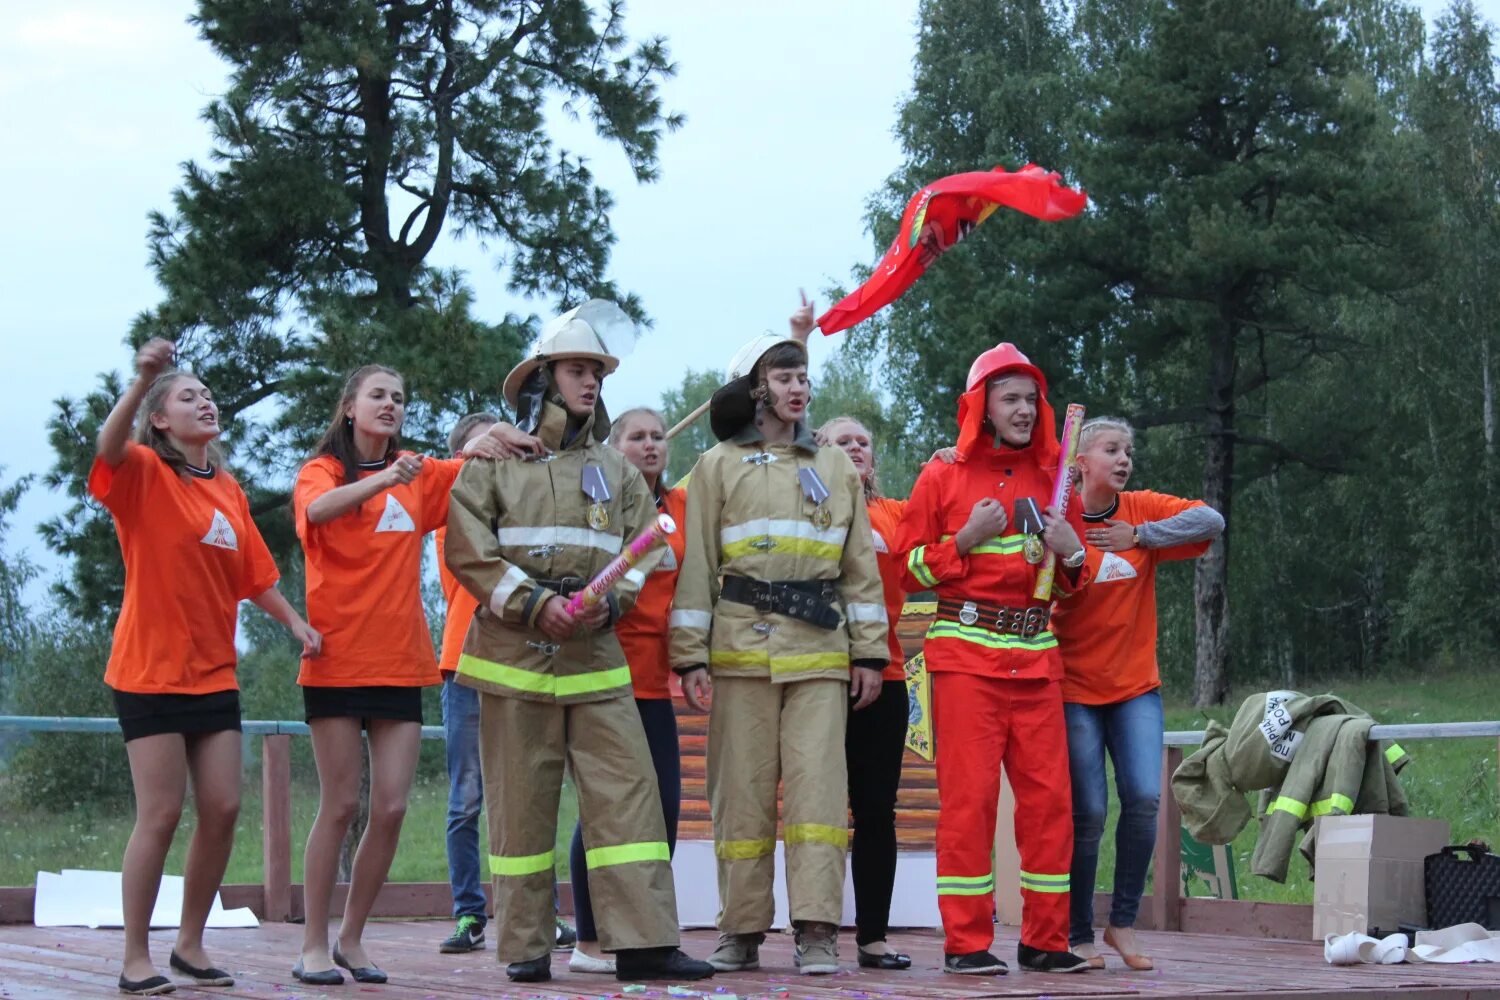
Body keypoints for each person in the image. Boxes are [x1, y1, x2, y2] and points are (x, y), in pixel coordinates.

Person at [444, 301, 713, 984]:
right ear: (542, 378)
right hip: (513, 663)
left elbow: (639, 554)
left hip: (596, 660)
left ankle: (646, 943)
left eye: (595, 370)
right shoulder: (493, 463)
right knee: (519, 808)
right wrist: (537, 607)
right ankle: (525, 947)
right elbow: (468, 553)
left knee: (630, 800)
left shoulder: (616, 472)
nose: (589, 381)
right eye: (576, 368)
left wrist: (603, 606)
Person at [90, 338, 319, 996]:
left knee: (221, 806)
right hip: (147, 670)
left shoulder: (226, 488)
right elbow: (106, 449)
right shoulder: (138, 471)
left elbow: (254, 574)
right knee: (160, 814)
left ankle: (190, 946)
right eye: (188, 396)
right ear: (160, 418)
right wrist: (141, 379)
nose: (205, 401)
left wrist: (296, 621)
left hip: (214, 673)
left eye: (207, 394)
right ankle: (137, 958)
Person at [670, 334, 889, 976]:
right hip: (739, 652)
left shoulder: (835, 466)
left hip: (820, 651)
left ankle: (817, 931)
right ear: (756, 387)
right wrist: (690, 656)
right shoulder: (715, 466)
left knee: (821, 797)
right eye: (785, 376)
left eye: (803, 377)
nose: (799, 387)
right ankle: (739, 930)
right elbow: (698, 567)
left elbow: (860, 569)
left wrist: (869, 654)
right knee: (740, 797)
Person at [290, 364, 511, 986]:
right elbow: (320, 510)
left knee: (389, 807)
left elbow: (469, 467)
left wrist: (500, 440)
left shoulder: (418, 474)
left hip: (400, 661)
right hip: (335, 661)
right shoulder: (323, 471)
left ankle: (352, 939)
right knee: (340, 805)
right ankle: (312, 943)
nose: (392, 405)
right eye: (379, 395)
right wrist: (386, 477)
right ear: (350, 408)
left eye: (400, 398)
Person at [895, 342, 1092, 976]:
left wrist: (1070, 554)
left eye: (1032, 399)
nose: (1025, 410)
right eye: (1010, 398)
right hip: (964, 663)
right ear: (981, 406)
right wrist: (964, 542)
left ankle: (1045, 940)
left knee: (1049, 807)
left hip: (1037, 663)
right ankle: (967, 944)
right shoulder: (941, 475)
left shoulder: (1058, 476)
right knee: (969, 805)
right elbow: (906, 568)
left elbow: (1075, 582)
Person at [1050, 417, 1223, 970]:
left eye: (1128, 450)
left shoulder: (1142, 507)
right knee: (1090, 812)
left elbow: (1211, 520)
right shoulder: (1061, 515)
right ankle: (1077, 932)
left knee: (1146, 799)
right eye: (1111, 450)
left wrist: (1141, 536)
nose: (1125, 459)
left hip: (1135, 689)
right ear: (1081, 463)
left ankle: (1121, 924)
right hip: (1074, 689)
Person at [434, 413, 576, 957]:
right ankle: (470, 914)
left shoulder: (529, 510)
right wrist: (483, 443)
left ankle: (542, 915)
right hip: (465, 664)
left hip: (522, 662)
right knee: (466, 799)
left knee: (533, 795)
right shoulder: (458, 496)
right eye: (498, 449)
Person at [567, 407, 687, 975]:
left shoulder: (681, 510)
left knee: (663, 807)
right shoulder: (597, 506)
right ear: (613, 450)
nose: (649, 445)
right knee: (603, 812)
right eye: (636, 437)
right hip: (603, 673)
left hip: (656, 680)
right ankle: (590, 942)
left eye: (657, 436)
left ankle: (647, 933)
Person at [813, 415, 917, 971]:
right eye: (841, 441)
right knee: (817, 810)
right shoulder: (806, 509)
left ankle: (873, 938)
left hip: (886, 677)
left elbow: (938, 553)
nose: (855, 448)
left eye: (863, 442)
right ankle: (816, 934)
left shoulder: (896, 515)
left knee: (876, 810)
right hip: (816, 676)